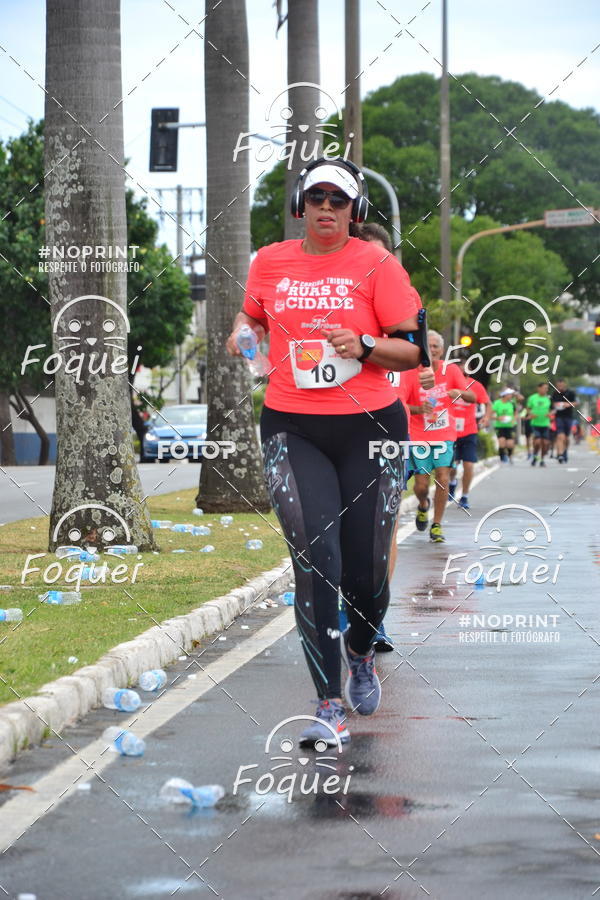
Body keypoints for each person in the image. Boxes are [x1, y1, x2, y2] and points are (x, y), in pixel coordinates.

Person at [226, 158, 430, 746]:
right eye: (315, 197)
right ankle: (328, 703)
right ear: (300, 205)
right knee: (318, 563)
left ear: (355, 211)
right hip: (293, 426)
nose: (325, 209)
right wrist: (245, 337)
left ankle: (363, 651)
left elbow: (414, 351)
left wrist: (365, 344)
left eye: (337, 201)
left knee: (365, 568)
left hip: (371, 426)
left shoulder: (377, 264)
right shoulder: (270, 261)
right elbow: (251, 318)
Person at [352, 221, 434, 652]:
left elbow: (424, 381)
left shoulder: (404, 313)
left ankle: (373, 619)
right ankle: (342, 614)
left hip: (385, 432)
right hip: (328, 430)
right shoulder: (326, 303)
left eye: (378, 260)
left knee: (381, 529)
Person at [399, 330, 475, 543]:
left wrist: (458, 393)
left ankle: (437, 525)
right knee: (421, 485)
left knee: (443, 477)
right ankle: (423, 505)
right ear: (421, 348)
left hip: (445, 434)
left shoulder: (450, 370)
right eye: (428, 346)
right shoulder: (409, 372)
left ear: (441, 350)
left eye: (436, 347)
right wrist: (418, 408)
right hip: (418, 434)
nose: (432, 350)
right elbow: (400, 404)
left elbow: (473, 396)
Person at [448, 360, 491, 510]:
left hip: (469, 431)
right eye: (459, 370)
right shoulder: (449, 384)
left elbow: (487, 403)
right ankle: (452, 483)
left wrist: (486, 417)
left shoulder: (475, 386)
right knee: (451, 467)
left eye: (465, 370)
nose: (462, 373)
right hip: (451, 431)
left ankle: (464, 496)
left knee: (468, 465)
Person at [551, 377, 578, 462]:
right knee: (560, 436)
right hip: (558, 417)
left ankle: (564, 450)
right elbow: (552, 404)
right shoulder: (554, 393)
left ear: (564, 384)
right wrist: (556, 406)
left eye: (561, 386)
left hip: (568, 417)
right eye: (558, 386)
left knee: (566, 438)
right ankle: (560, 454)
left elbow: (576, 402)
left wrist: (567, 404)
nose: (560, 387)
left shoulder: (570, 393)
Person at [526, 382, 552, 466]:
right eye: (544, 388)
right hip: (535, 423)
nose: (546, 390)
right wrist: (531, 414)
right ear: (539, 388)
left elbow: (552, 410)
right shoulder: (532, 398)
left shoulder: (548, 398)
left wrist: (550, 414)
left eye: (547, 388)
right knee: (537, 442)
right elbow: (528, 408)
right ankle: (535, 455)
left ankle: (542, 459)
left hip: (545, 423)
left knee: (545, 443)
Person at [491, 388, 518, 463]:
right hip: (500, 426)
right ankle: (502, 457)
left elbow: (516, 413)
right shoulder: (497, 403)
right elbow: (490, 414)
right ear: (504, 395)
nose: (511, 395)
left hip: (510, 426)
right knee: (502, 442)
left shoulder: (512, 403)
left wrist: (513, 420)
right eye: (509, 394)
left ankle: (510, 456)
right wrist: (498, 418)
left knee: (510, 444)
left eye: (511, 394)